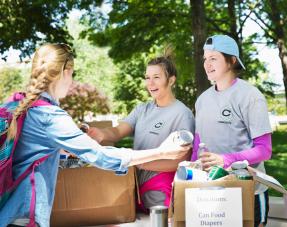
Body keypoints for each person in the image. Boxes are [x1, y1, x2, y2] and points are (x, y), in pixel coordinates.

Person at [0, 43, 190, 227]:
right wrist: (161, 152)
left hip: (8, 211)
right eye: (72, 74)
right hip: (25, 216)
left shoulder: (16, 104)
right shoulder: (50, 116)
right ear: (66, 72)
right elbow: (100, 156)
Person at [88, 51, 195, 211]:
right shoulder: (142, 109)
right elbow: (117, 132)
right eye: (147, 77)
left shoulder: (182, 113)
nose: (150, 83)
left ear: (171, 80)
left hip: (160, 185)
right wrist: (101, 134)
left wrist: (139, 162)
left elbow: (180, 161)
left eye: (156, 77)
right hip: (133, 184)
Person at [192, 34, 272, 227]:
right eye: (205, 59)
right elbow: (197, 145)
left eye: (213, 58)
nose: (207, 64)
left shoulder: (251, 97)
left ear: (232, 60)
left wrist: (225, 160)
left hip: (248, 191)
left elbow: (264, 150)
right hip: (210, 194)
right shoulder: (202, 100)